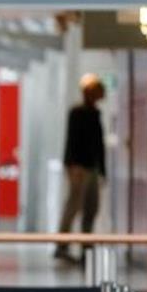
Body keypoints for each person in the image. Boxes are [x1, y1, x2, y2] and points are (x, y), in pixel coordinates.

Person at [56, 73, 107, 263]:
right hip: (79, 167)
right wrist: (71, 165)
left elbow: (99, 145)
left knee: (91, 207)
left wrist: (102, 170)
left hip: (92, 167)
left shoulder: (95, 114)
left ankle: (86, 244)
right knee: (73, 206)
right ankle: (62, 245)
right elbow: (72, 142)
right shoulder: (77, 113)